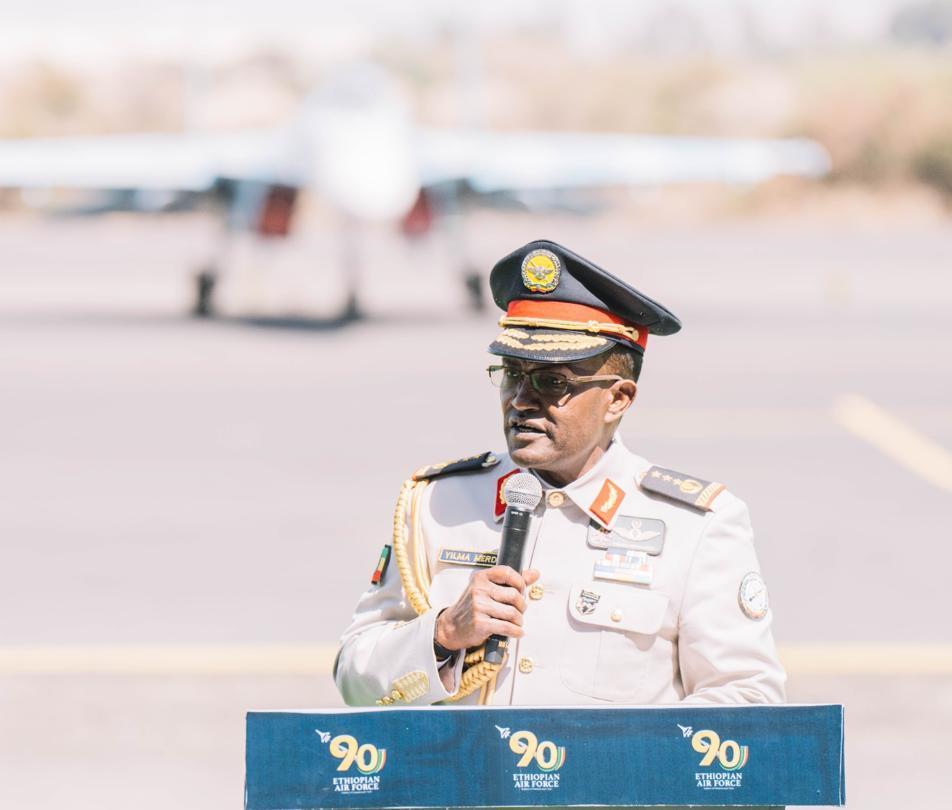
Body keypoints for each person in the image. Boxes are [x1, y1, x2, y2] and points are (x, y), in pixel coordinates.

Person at [334, 239, 785, 707]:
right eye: (512, 373)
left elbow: (746, 695)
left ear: (618, 398)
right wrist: (444, 633)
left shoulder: (695, 526)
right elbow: (353, 679)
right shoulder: (437, 505)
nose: (520, 401)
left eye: (552, 382)